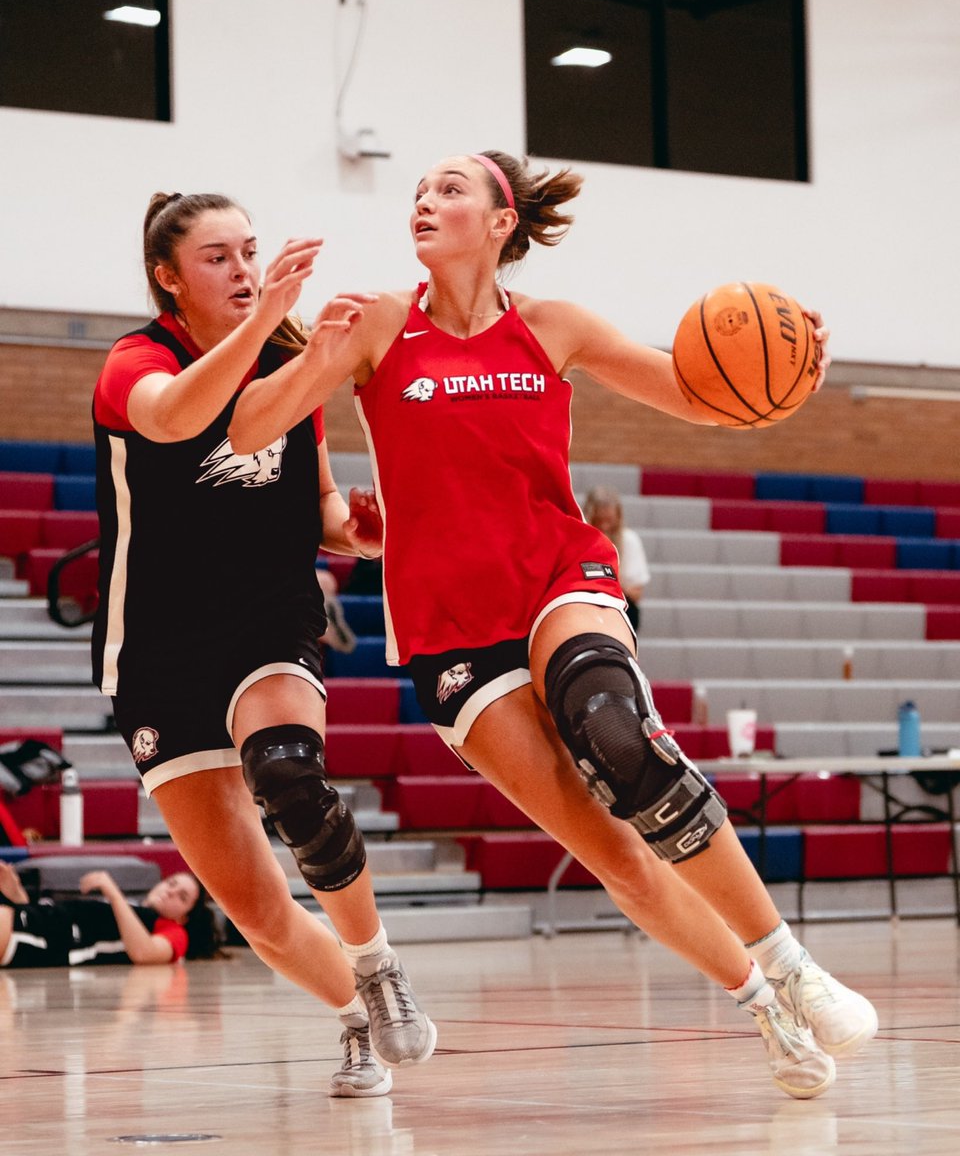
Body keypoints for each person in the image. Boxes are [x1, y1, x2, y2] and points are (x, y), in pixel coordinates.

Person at [226, 149, 878, 1101]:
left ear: (500, 223)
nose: (425, 201)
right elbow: (247, 430)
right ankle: (759, 1003)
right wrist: (320, 363)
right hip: (448, 623)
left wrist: (791, 370)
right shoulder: (372, 322)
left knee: (620, 736)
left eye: (450, 190)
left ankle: (790, 963)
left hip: (555, 575)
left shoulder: (553, 326)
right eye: (418, 192)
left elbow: (702, 394)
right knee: (616, 856)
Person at [89, 192, 436, 1099]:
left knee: (289, 770)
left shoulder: (291, 363)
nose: (243, 270)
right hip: (159, 654)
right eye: (217, 257)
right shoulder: (135, 363)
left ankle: (378, 961)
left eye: (249, 250)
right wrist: (279, 328)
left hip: (267, 626)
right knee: (256, 910)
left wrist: (353, 530)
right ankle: (356, 1012)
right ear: (169, 278)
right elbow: (173, 418)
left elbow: (315, 501)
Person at [0, 861, 221, 966]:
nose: (170, 891)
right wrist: (17, 895)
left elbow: (144, 953)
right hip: (34, 920)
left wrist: (112, 891)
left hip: (45, 941)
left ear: (184, 917)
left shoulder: (173, 930)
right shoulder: (134, 907)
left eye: (181, 897)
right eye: (171, 883)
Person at [583, 485, 651, 631]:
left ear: (617, 518)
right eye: (599, 521)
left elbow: (636, 593)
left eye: (609, 521)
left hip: (621, 606)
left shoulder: (629, 540)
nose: (605, 527)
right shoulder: (580, 540)